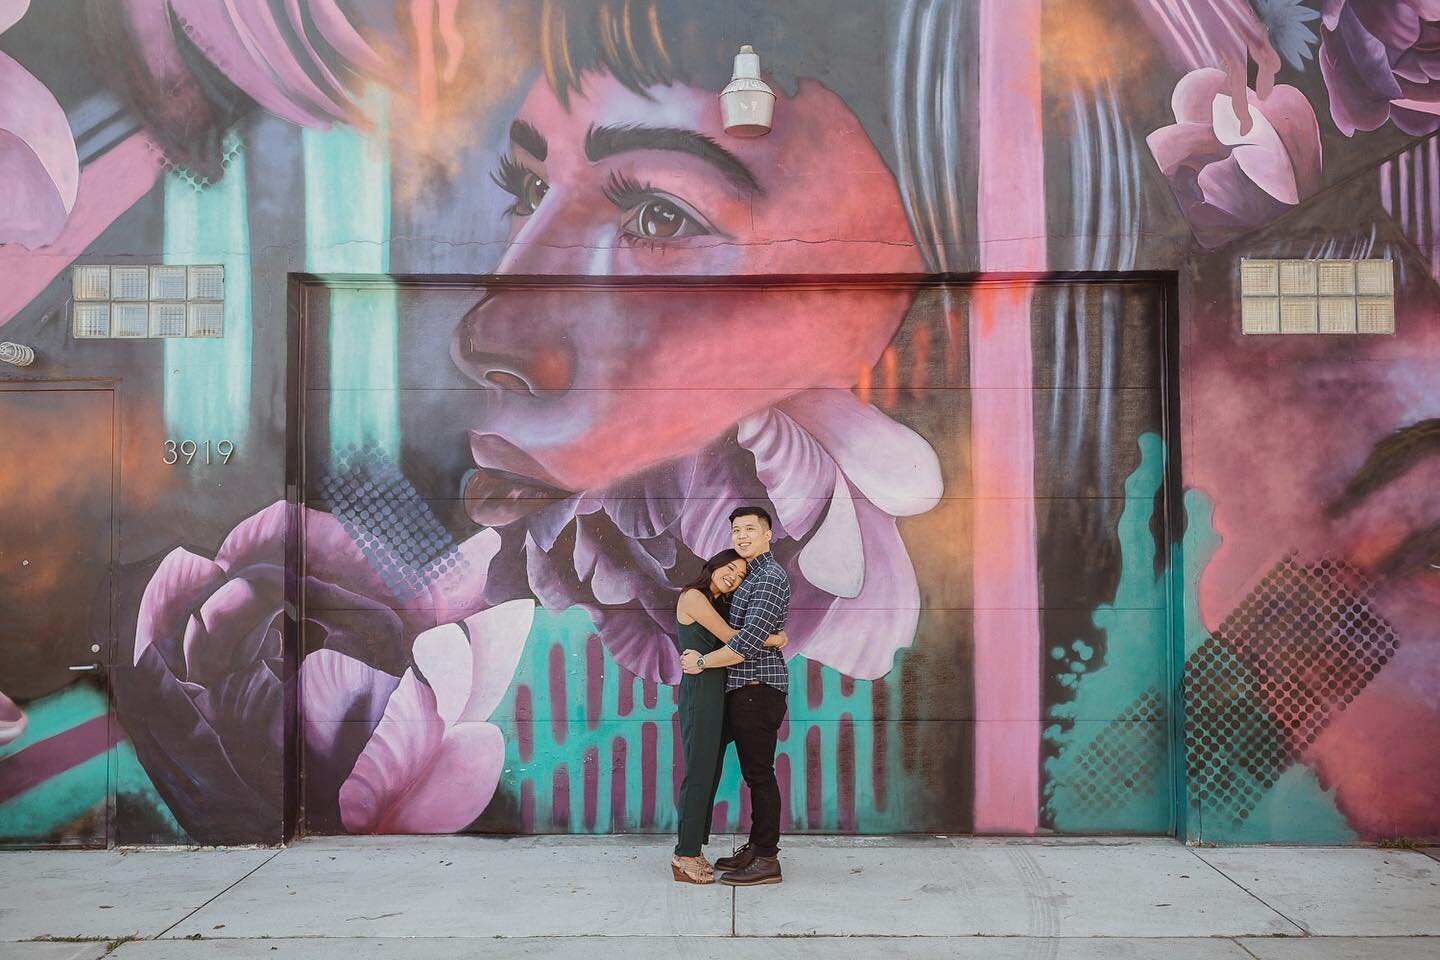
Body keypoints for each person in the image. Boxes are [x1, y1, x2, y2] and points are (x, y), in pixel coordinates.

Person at [681, 506, 791, 886]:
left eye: (750, 529)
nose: (742, 536)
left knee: (759, 775)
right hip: (739, 689)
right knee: (735, 770)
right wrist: (775, 638)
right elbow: (748, 633)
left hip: (757, 688)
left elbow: (745, 644)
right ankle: (754, 849)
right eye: (736, 531)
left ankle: (767, 857)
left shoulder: (769, 578)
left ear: (768, 534)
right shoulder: (749, 577)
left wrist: (701, 662)